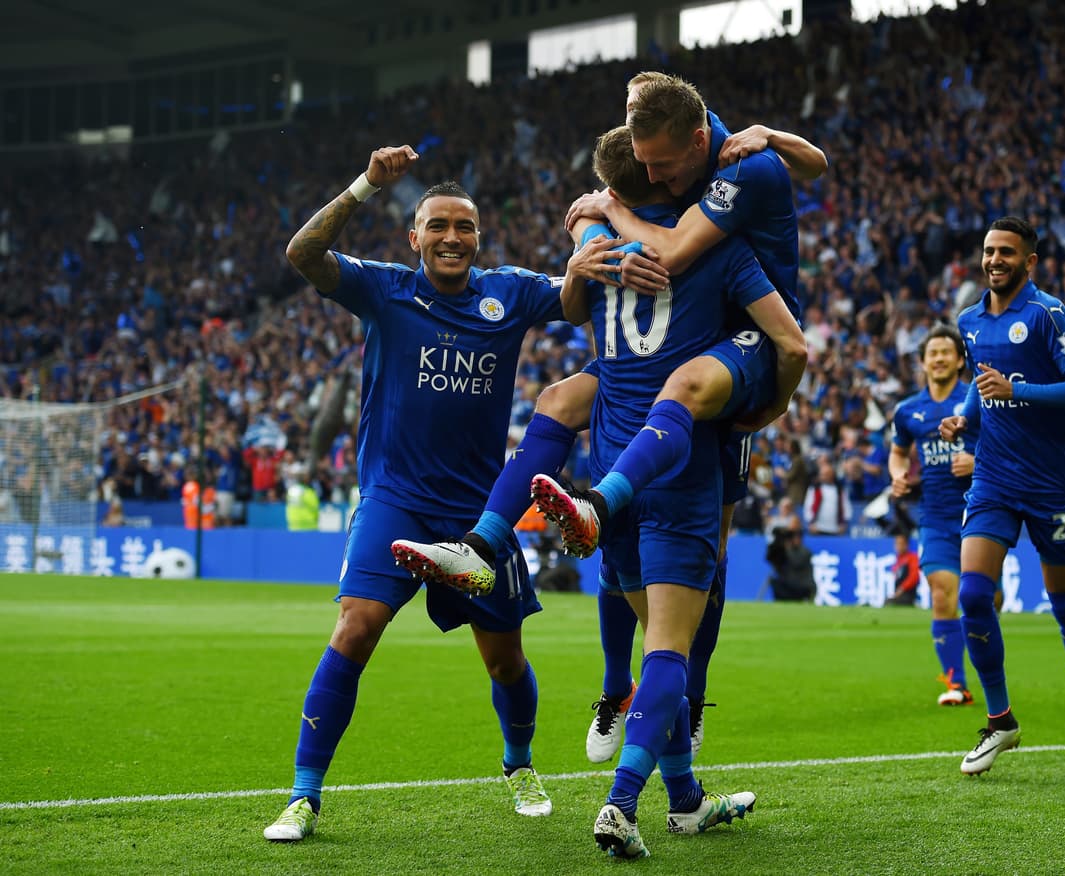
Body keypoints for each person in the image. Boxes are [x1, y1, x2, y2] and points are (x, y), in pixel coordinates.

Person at [399, 71, 818, 765]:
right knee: (562, 403)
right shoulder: (660, 159)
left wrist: (608, 210)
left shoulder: (740, 169)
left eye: (658, 165)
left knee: (699, 564)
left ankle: (689, 698)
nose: (653, 170)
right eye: (643, 164)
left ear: (693, 141)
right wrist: (583, 250)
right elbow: (583, 279)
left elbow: (680, 245)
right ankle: (596, 660)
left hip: (741, 347)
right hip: (646, 367)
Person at [263, 148, 565, 843]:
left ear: (479, 239)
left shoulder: (511, 292)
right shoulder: (386, 290)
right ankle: (304, 796)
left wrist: (596, 230)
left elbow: (577, 298)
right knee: (355, 627)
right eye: (437, 226)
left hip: (478, 517)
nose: (451, 237)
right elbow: (304, 252)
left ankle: (518, 764)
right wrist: (367, 182)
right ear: (415, 237)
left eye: (464, 226)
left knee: (504, 661)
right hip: (395, 500)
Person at [527, 126, 763, 858]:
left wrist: (582, 228)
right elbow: (789, 339)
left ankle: (687, 799)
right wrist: (772, 389)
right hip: (683, 467)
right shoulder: (714, 244)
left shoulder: (598, 237)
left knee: (652, 632)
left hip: (611, 451)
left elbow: (570, 307)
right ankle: (623, 803)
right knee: (672, 646)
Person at [940, 217, 1065, 776]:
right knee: (974, 595)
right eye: (988, 251)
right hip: (993, 479)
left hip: (1052, 484)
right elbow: (979, 380)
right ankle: (1000, 719)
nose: (994, 260)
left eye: (1007, 253)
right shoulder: (969, 319)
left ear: (1029, 261)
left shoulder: (1046, 314)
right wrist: (962, 417)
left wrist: (1019, 391)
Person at [888, 323, 978, 705]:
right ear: (923, 362)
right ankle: (956, 684)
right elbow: (898, 453)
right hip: (936, 517)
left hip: (980, 513)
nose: (939, 358)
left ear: (960, 360)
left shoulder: (977, 400)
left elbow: (1008, 446)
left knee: (981, 598)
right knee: (943, 595)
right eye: (932, 353)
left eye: (946, 352)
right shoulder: (908, 411)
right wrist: (897, 476)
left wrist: (977, 461)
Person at [765, 525, 815, 602]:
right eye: (792, 538)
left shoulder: (805, 552)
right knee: (775, 582)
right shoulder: (785, 551)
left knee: (780, 585)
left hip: (803, 586)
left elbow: (796, 562)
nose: (794, 540)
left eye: (796, 538)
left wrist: (787, 549)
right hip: (791, 584)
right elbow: (771, 559)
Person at [885, 531, 921, 607]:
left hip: (908, 595)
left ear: (906, 545)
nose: (898, 546)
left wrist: (902, 588)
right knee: (887, 601)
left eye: (901, 544)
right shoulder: (898, 560)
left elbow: (914, 577)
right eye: (897, 544)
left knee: (890, 603)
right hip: (898, 594)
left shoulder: (912, 558)